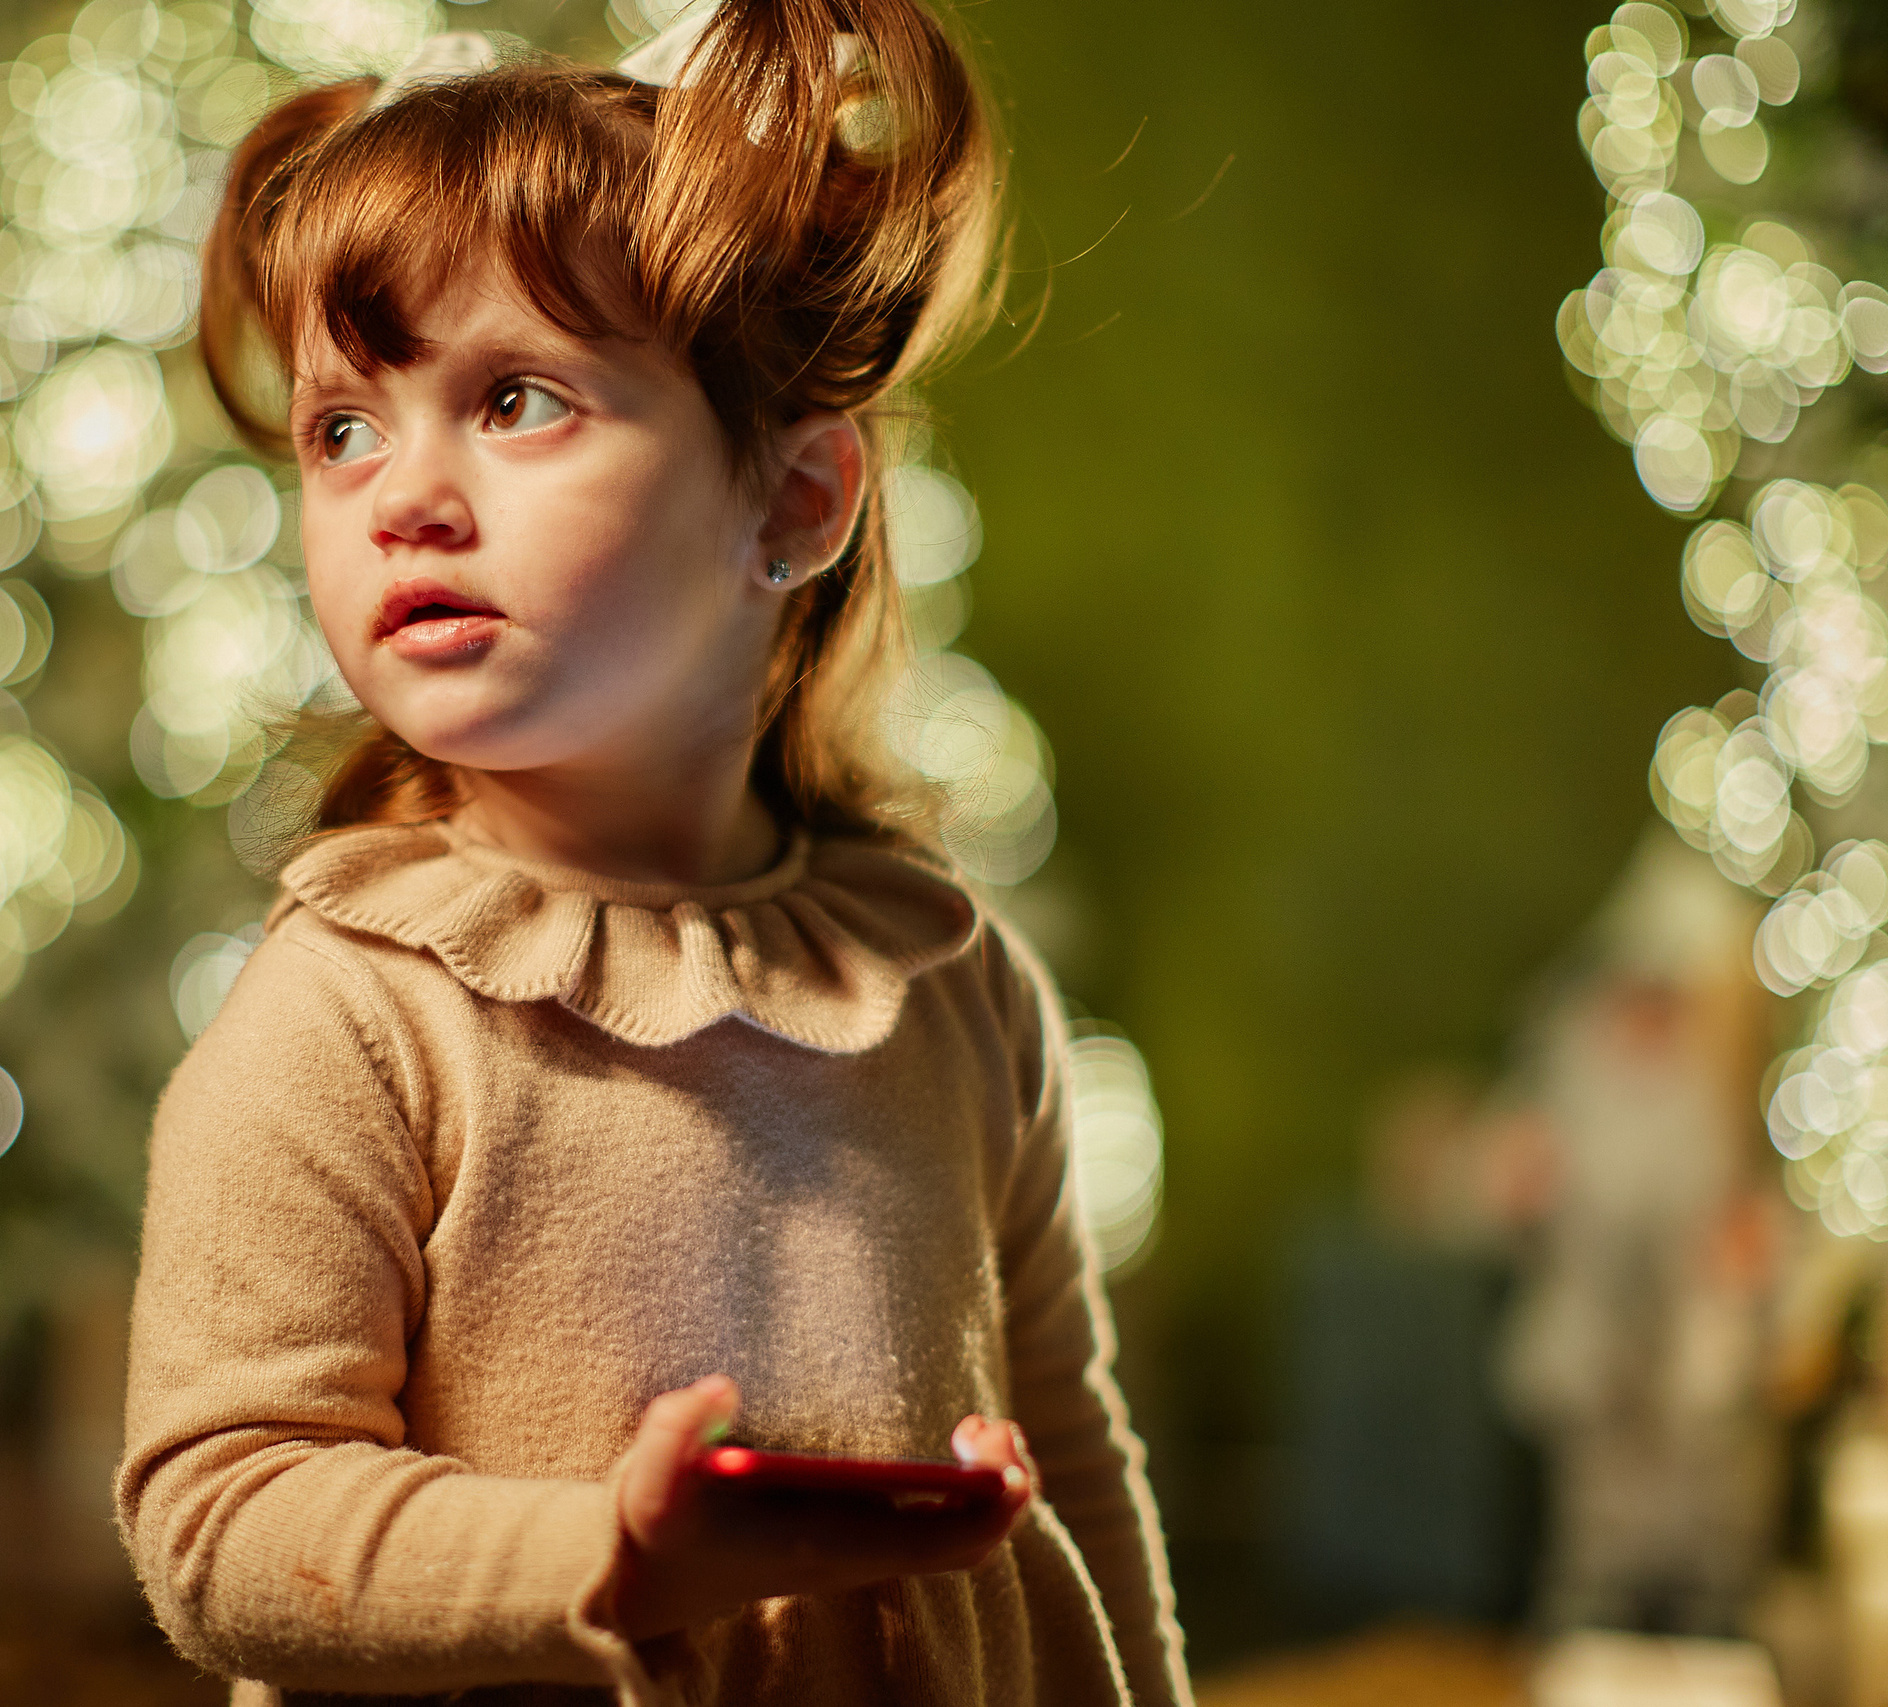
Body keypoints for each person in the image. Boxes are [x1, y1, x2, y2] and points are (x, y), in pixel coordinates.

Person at [114, 1, 1190, 1700]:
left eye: (519, 398)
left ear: (793, 502)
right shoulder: (353, 1018)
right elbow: (222, 1514)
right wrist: (599, 1560)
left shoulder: (951, 991)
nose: (404, 493)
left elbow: (1071, 1464)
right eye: (344, 428)